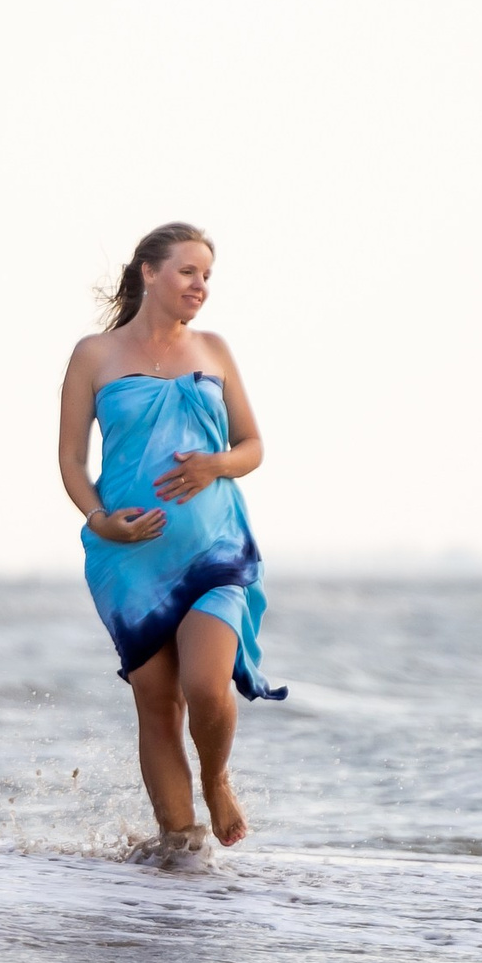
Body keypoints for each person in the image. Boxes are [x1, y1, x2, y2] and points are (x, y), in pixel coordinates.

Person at [59, 223, 284, 857]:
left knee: (206, 685)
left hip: (214, 547)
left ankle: (216, 780)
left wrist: (215, 465)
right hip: (129, 558)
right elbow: (73, 460)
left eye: (207, 275)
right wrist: (98, 518)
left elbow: (253, 446)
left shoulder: (213, 350)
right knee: (157, 703)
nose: (201, 286)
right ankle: (179, 855)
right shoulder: (93, 355)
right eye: (188, 272)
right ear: (148, 273)